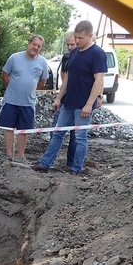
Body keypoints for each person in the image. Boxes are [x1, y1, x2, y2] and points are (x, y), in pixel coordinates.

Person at [32, 21, 107, 175]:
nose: (77, 41)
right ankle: (45, 163)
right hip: (69, 102)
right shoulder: (74, 53)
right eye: (76, 37)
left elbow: (99, 80)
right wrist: (59, 98)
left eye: (80, 38)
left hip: (83, 105)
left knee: (80, 137)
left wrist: (89, 103)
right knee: (57, 132)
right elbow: (68, 78)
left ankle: (76, 168)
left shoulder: (97, 54)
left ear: (90, 35)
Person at [0, 35, 48, 164]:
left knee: (23, 130)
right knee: (8, 128)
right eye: (34, 44)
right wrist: (12, 88)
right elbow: (4, 74)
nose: (35, 48)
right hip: (11, 101)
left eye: (38, 46)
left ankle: (21, 156)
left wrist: (32, 89)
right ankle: (9, 155)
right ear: (29, 43)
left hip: (28, 102)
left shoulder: (42, 62)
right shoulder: (14, 58)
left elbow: (43, 80)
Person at [51, 32, 77, 168]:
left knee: (76, 135)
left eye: (72, 44)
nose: (70, 47)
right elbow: (64, 77)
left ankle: (72, 163)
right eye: (68, 45)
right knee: (56, 131)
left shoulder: (88, 55)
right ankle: (49, 161)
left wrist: (99, 97)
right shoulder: (67, 57)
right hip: (65, 100)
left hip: (79, 102)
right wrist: (59, 98)